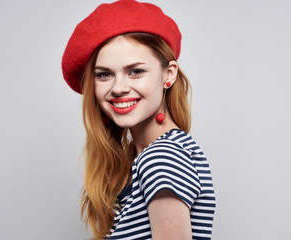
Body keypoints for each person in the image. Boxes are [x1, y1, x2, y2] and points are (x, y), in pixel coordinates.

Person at [61, 0, 216, 239]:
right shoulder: (149, 155)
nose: (118, 88)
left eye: (135, 71)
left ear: (168, 74)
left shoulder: (161, 157)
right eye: (104, 74)